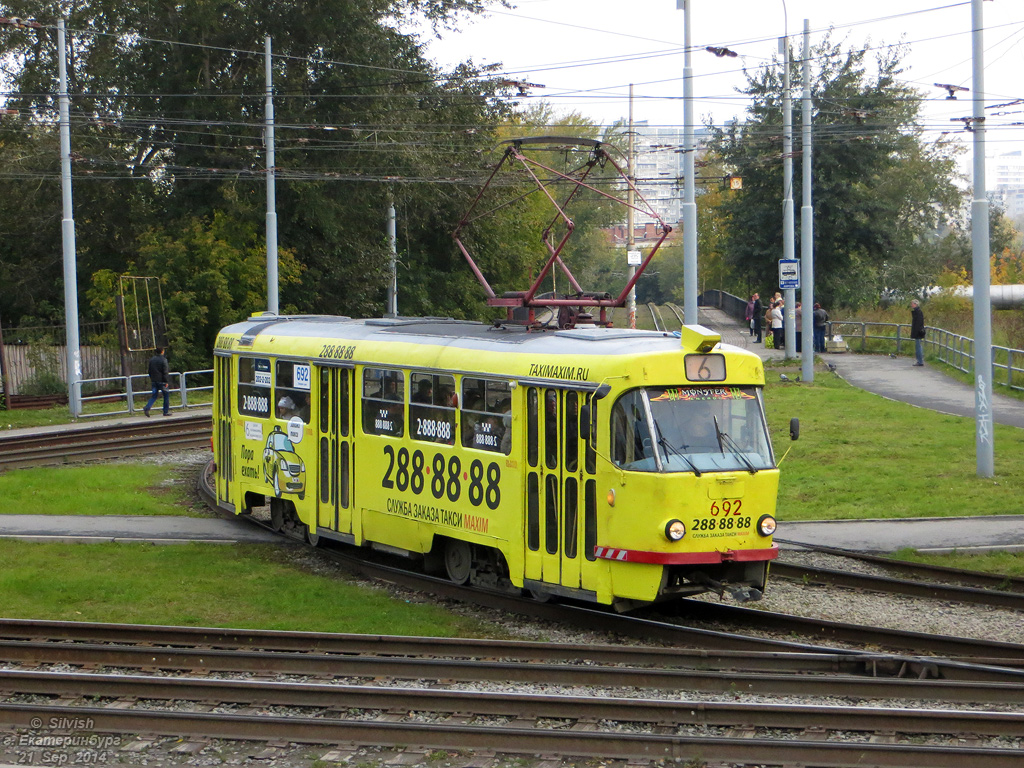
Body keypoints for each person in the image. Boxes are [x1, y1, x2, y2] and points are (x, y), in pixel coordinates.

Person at [143, 347, 170, 417]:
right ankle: (165, 411)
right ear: (162, 351)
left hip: (154, 381)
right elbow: (165, 372)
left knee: (154, 395)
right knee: (166, 395)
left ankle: (147, 407)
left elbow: (149, 371)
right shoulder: (164, 360)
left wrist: (152, 378)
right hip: (162, 381)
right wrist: (166, 381)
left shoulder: (152, 360)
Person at [910, 299, 926, 366]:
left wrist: (915, 332)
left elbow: (918, 323)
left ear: (915, 304)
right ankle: (920, 360)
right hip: (918, 332)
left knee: (918, 346)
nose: (911, 305)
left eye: (912, 304)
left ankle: (920, 361)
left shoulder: (918, 312)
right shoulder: (917, 312)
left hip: (918, 332)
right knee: (918, 346)